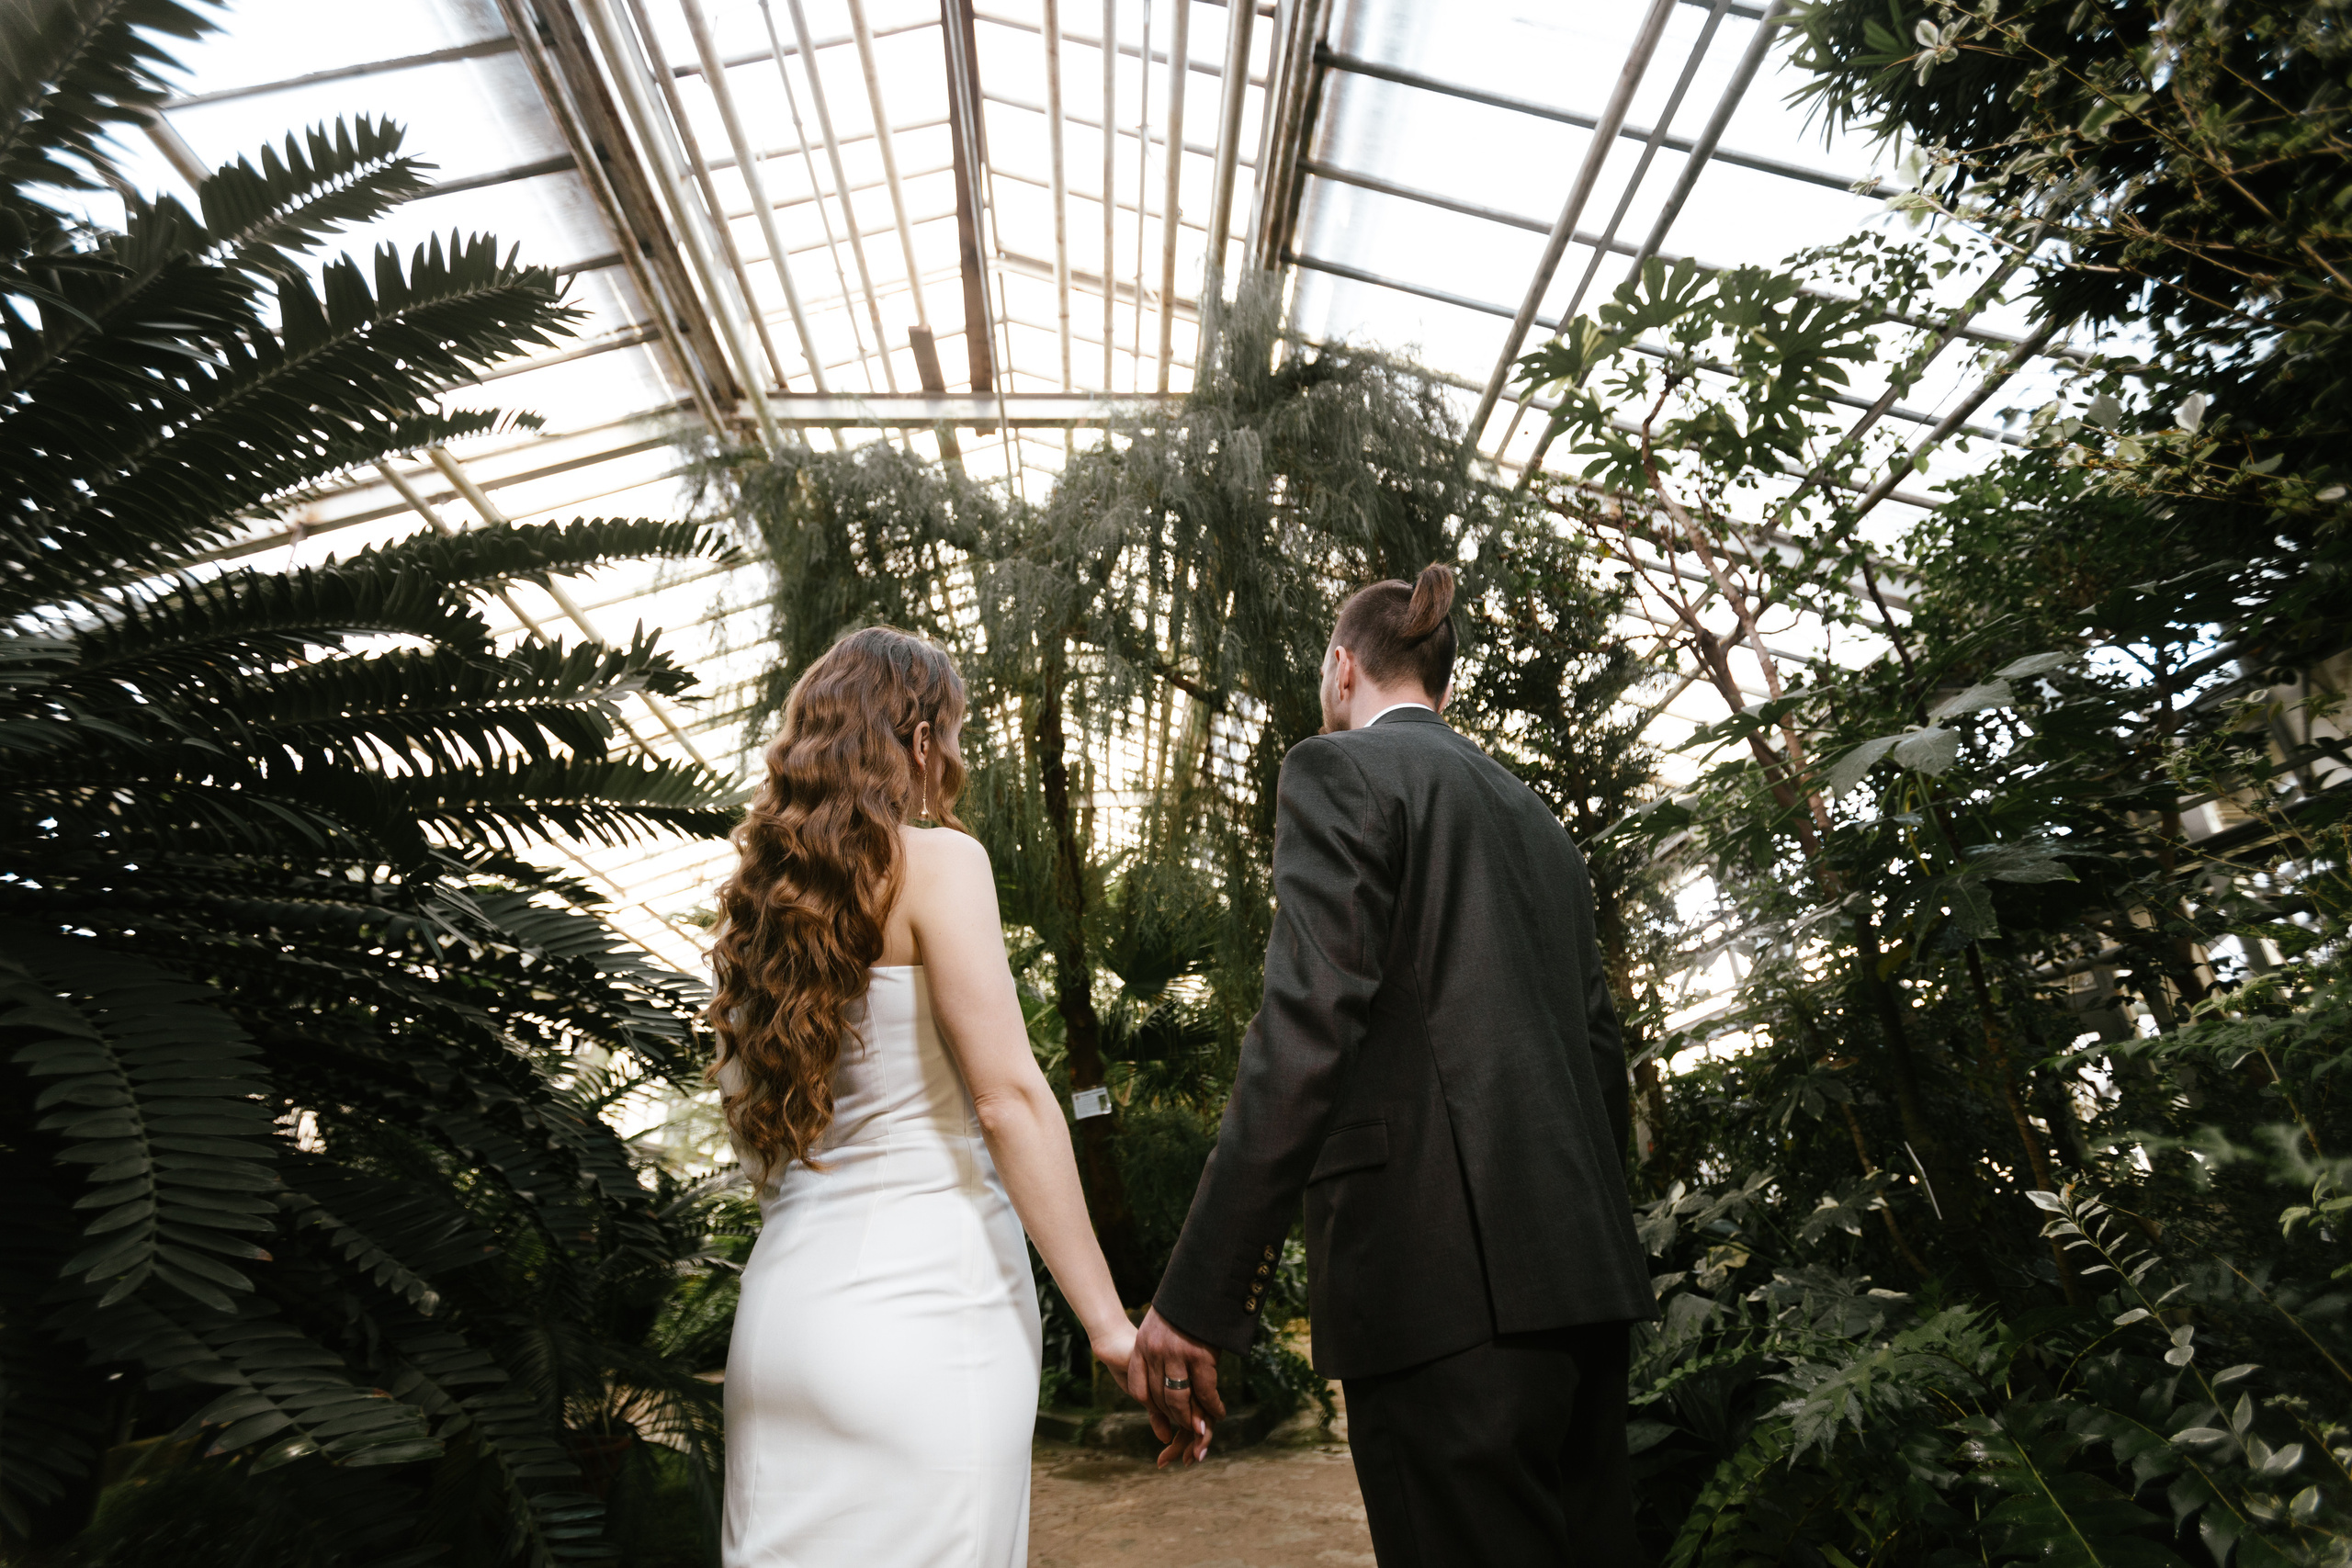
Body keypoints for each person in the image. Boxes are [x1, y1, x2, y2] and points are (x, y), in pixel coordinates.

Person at [1128, 564, 1657, 1566]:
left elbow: (1305, 1028)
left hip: (1435, 1292)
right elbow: (1599, 1052)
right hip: (1582, 1283)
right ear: (1444, 691)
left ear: (1339, 671)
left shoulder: (1340, 773)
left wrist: (1199, 1293)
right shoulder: (1537, 822)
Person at [707, 626, 1136, 1568]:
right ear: (913, 739)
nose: (959, 758)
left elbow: (758, 1147)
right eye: (953, 732)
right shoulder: (938, 863)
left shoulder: (754, 912)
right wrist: (1110, 1327)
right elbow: (1009, 1100)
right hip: (930, 1314)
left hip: (784, 1322)